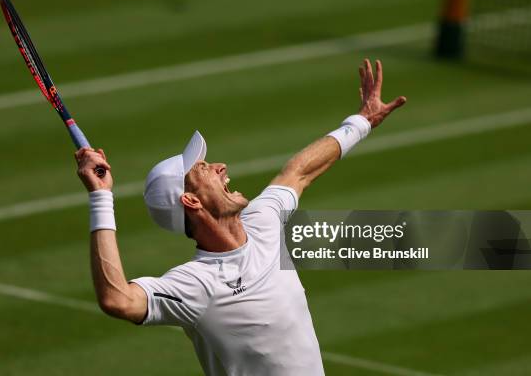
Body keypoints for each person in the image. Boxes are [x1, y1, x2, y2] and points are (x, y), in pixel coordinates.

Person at [75, 59, 406, 375]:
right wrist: (101, 196)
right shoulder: (196, 284)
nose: (221, 167)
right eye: (204, 169)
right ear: (190, 200)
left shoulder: (263, 221)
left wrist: (361, 121)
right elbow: (117, 298)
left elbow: (300, 172)